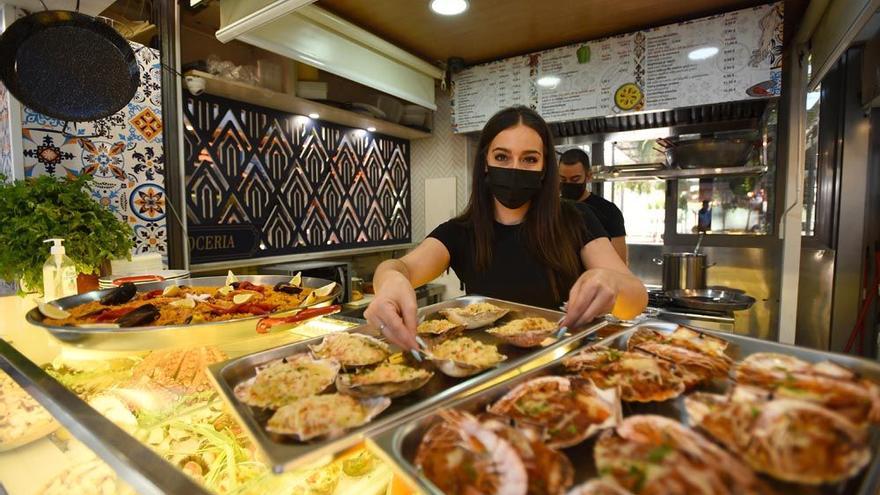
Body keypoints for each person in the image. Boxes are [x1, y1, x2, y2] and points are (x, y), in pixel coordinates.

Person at [365, 106, 648, 350]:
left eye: (529, 159)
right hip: (484, 368)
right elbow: (399, 268)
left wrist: (610, 281)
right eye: (502, 157)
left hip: (560, 365)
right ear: (485, 162)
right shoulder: (460, 231)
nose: (515, 168)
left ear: (544, 167)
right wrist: (391, 282)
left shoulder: (577, 219)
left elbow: (635, 298)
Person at [558, 148, 628, 263]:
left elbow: (620, 261)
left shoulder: (609, 211)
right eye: (563, 179)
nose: (568, 184)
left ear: (588, 176)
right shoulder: (552, 209)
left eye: (575, 179)